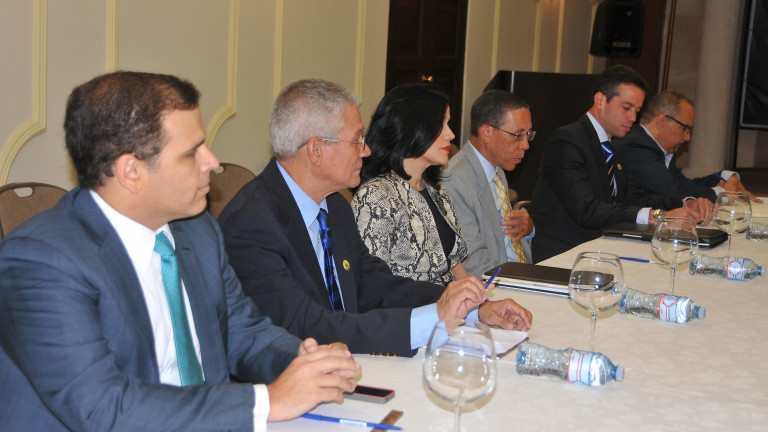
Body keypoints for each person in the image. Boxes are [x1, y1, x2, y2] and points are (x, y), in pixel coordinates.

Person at [0, 72, 361, 432]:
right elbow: (104, 409)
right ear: (131, 172)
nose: (212, 161)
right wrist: (267, 401)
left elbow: (243, 332)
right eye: (191, 152)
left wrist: (302, 360)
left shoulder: (196, 229)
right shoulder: (41, 261)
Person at [218, 79, 532, 358]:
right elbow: (307, 325)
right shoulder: (251, 225)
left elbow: (373, 284)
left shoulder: (334, 205)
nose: (366, 150)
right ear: (316, 150)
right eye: (357, 139)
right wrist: (431, 319)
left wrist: (470, 307)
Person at [530, 65, 711, 262]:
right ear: (600, 100)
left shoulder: (615, 149)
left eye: (637, 110)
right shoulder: (567, 140)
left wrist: (685, 203)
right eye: (626, 107)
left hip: (601, 250)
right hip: (563, 254)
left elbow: (633, 198)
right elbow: (586, 210)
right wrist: (657, 216)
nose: (633, 118)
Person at [352, 83, 469, 285]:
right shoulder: (375, 197)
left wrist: (477, 297)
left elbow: (453, 263)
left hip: (449, 301)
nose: (451, 134)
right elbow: (374, 284)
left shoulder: (435, 189)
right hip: (413, 305)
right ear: (412, 129)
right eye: (441, 124)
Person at [444, 90, 536, 278]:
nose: (525, 145)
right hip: (495, 284)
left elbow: (507, 244)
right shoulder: (455, 180)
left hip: (516, 275)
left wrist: (527, 230)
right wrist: (520, 283)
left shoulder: (497, 169)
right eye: (518, 135)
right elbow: (473, 263)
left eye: (528, 134)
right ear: (486, 132)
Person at [614, 90, 761, 205]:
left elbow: (683, 184)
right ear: (662, 121)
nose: (687, 138)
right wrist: (721, 192)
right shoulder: (634, 145)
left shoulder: (658, 149)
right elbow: (671, 190)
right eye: (685, 129)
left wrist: (724, 177)